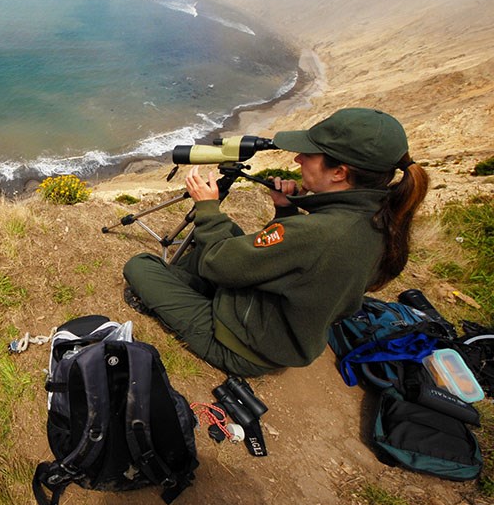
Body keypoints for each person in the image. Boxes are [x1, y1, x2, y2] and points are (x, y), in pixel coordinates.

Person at [122, 108, 429, 377]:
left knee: (142, 266)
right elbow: (302, 267)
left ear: (339, 172)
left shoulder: (321, 233)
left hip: (242, 344)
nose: (297, 158)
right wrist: (285, 209)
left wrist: (206, 207)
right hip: (279, 325)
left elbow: (219, 265)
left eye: (308, 155)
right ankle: (183, 286)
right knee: (227, 233)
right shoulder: (383, 217)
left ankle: (173, 295)